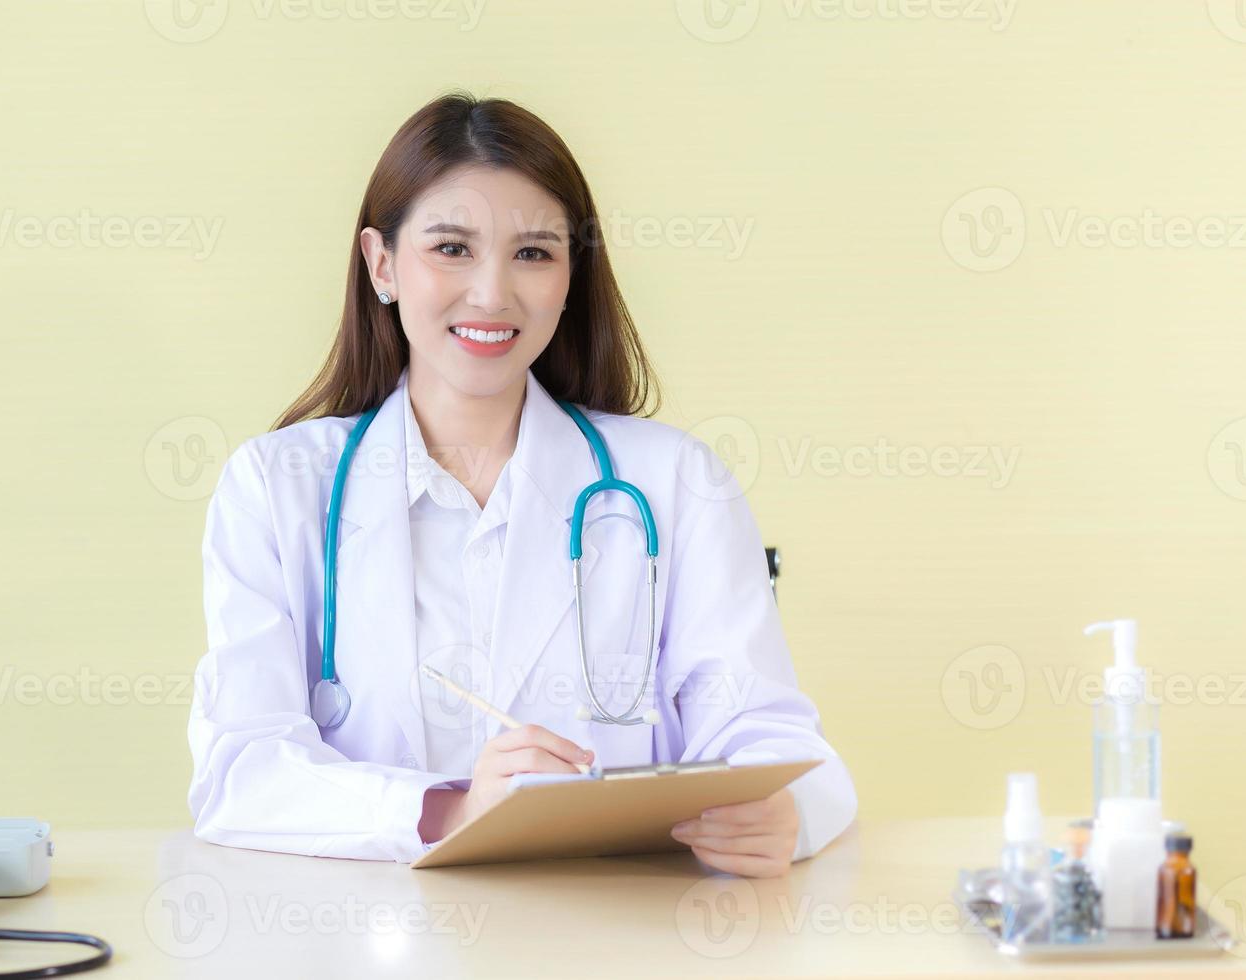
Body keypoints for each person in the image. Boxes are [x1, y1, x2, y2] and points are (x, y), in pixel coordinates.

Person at [186, 91, 856, 877]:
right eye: (451, 248)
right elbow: (241, 773)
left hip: (622, 937)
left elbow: (775, 741)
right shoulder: (277, 487)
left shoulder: (676, 482)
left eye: (534, 252)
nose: (492, 293)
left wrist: (785, 815)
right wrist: (454, 810)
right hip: (369, 943)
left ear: (572, 275)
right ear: (383, 264)